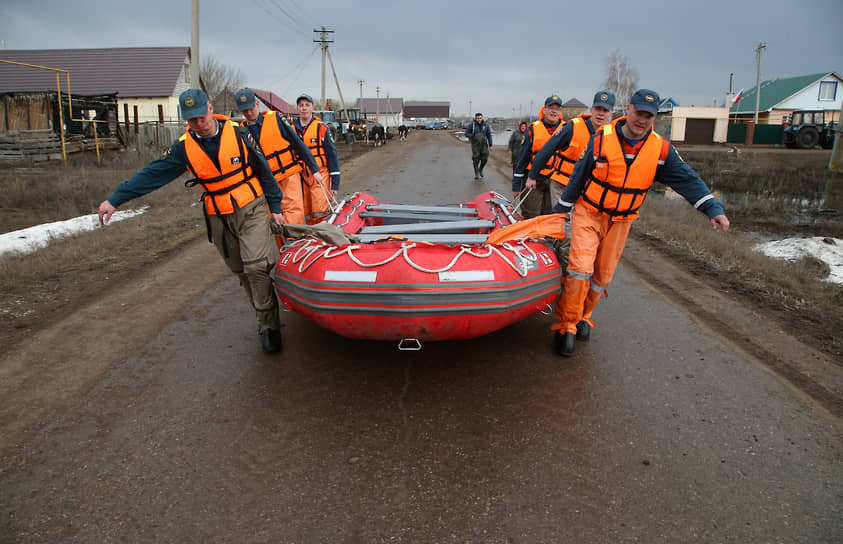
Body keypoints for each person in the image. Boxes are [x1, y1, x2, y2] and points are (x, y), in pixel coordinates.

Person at [96, 89, 286, 354]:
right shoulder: (184, 147)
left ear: (210, 108)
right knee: (241, 271)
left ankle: (269, 327)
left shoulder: (240, 134)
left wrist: (275, 206)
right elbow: (153, 174)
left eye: (201, 116)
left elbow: (264, 170)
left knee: (256, 267)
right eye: (191, 119)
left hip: (250, 208)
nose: (198, 123)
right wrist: (116, 199)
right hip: (218, 216)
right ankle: (262, 314)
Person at [550, 89, 730, 357]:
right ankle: (566, 324)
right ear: (628, 110)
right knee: (579, 268)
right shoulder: (601, 139)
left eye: (648, 115)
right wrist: (561, 209)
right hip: (589, 213)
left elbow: (687, 179)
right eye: (638, 113)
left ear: (654, 117)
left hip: (622, 220)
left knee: (601, 276)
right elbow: (579, 174)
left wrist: (712, 208)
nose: (642, 120)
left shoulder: (661, 150)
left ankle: (584, 316)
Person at [234, 88, 322, 229]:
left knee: (293, 214)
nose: (249, 113)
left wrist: (314, 169)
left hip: (288, 176)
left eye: (251, 108)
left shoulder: (275, 119)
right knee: (274, 218)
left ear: (256, 104)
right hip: (266, 181)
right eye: (245, 111)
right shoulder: (242, 132)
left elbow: (298, 143)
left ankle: (297, 246)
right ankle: (283, 249)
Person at [524, 91, 615, 211]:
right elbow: (547, 150)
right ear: (591, 110)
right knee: (558, 221)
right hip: (563, 184)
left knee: (580, 225)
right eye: (598, 109)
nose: (601, 114)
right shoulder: (572, 127)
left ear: (611, 114)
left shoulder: (613, 135)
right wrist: (532, 175)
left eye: (605, 111)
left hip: (589, 189)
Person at [511, 95, 565, 218]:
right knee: (531, 214)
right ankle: (529, 236)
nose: (554, 111)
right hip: (534, 179)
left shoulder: (567, 130)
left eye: (557, 108)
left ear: (560, 112)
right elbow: (523, 159)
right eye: (550, 107)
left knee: (550, 216)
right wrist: (516, 184)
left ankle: (548, 237)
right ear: (544, 110)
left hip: (556, 181)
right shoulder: (533, 130)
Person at [292, 93, 341, 224]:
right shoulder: (291, 130)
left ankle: (323, 237)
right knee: (305, 212)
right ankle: (311, 238)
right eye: (301, 105)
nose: (304, 108)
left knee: (320, 210)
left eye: (307, 105)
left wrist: (335, 183)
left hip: (320, 176)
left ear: (312, 108)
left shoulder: (322, 129)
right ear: (297, 108)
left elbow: (332, 155)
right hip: (301, 177)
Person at [465, 112, 493, 179]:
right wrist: (472, 135)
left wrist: (490, 145)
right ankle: (476, 173)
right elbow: (466, 134)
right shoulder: (472, 125)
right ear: (475, 118)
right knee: (475, 158)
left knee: (485, 158)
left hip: (484, 144)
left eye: (480, 118)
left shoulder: (486, 125)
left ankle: (480, 169)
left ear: (482, 118)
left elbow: (489, 135)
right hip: (475, 145)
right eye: (478, 118)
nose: (479, 119)